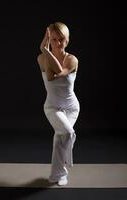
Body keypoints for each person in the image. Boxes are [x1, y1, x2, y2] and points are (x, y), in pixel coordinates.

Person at [37, 22, 80, 186]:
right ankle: (64, 169)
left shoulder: (72, 60)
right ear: (49, 40)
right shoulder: (41, 58)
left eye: (61, 39)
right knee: (67, 133)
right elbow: (49, 77)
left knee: (59, 138)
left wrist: (46, 49)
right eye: (53, 40)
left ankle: (58, 175)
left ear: (67, 40)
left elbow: (59, 73)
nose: (58, 43)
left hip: (71, 107)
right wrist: (45, 52)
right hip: (52, 107)